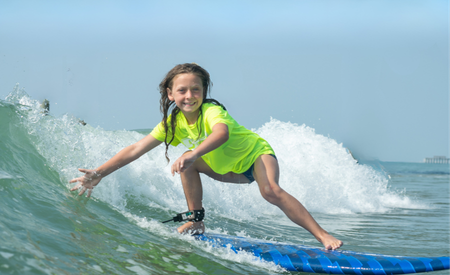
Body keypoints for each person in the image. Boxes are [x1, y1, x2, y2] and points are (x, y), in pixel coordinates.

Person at [69, 63, 343, 250]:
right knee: (187, 161)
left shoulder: (211, 111)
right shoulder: (172, 124)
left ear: (204, 91)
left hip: (256, 156)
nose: (190, 96)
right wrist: (99, 173)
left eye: (196, 89)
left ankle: (322, 235)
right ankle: (195, 218)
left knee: (270, 191)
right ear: (170, 93)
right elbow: (136, 149)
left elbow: (221, 134)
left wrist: (194, 153)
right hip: (228, 170)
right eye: (182, 90)